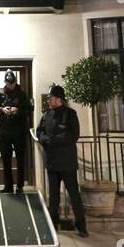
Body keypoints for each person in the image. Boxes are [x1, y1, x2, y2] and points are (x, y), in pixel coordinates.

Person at [35, 84, 88, 237]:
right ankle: (53, 224)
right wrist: (44, 139)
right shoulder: (46, 116)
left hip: (67, 163)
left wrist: (54, 140)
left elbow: (73, 135)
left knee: (73, 194)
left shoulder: (70, 114)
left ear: (59, 99)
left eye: (51, 98)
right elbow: (40, 131)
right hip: (52, 162)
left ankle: (81, 227)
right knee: (54, 196)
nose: (49, 100)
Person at [0, 69, 33, 193]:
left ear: (15, 82)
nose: (10, 86)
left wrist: (18, 110)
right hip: (4, 131)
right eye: (8, 84)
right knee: (6, 159)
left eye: (12, 84)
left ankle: (20, 186)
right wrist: (2, 109)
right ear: (5, 83)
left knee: (20, 159)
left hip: (19, 131)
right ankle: (8, 186)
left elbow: (29, 109)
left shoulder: (22, 93)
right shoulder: (0, 92)